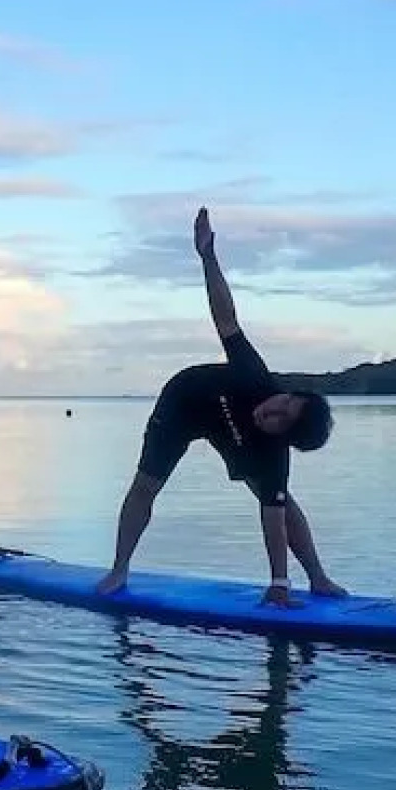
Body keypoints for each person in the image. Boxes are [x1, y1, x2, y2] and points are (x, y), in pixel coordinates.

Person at [95, 206, 346, 607]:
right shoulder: (254, 377)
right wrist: (208, 256)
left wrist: (280, 584)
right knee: (146, 484)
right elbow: (225, 317)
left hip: (233, 435)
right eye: (285, 401)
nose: (274, 409)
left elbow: (272, 515)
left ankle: (317, 578)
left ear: (285, 437)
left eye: (283, 419)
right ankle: (119, 568)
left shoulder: (272, 453)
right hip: (183, 402)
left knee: (278, 497)